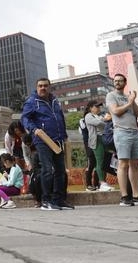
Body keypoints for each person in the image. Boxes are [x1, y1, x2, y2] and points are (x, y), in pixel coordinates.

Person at [21, 78, 73, 211]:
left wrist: (64, 135)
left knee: (61, 170)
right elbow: (25, 118)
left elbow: (60, 117)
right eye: (40, 86)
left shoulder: (55, 101)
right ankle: (46, 200)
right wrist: (34, 129)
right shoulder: (32, 101)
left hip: (58, 139)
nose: (43, 88)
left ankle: (59, 199)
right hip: (43, 139)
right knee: (47, 169)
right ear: (36, 87)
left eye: (45, 86)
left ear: (50, 87)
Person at [105, 74, 138, 207]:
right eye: (115, 81)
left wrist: (132, 100)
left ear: (125, 82)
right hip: (121, 132)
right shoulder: (111, 96)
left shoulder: (127, 97)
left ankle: (136, 195)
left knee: (135, 164)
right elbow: (116, 111)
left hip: (134, 132)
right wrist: (129, 103)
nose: (117, 83)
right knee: (123, 163)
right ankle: (124, 196)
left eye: (120, 81)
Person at [84, 101, 113, 192]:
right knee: (99, 161)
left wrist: (105, 120)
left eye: (99, 107)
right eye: (96, 107)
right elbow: (98, 123)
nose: (98, 108)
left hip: (104, 139)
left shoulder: (99, 116)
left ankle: (103, 183)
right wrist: (106, 120)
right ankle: (102, 182)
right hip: (96, 140)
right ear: (90, 108)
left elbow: (105, 123)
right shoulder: (88, 116)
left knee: (105, 162)